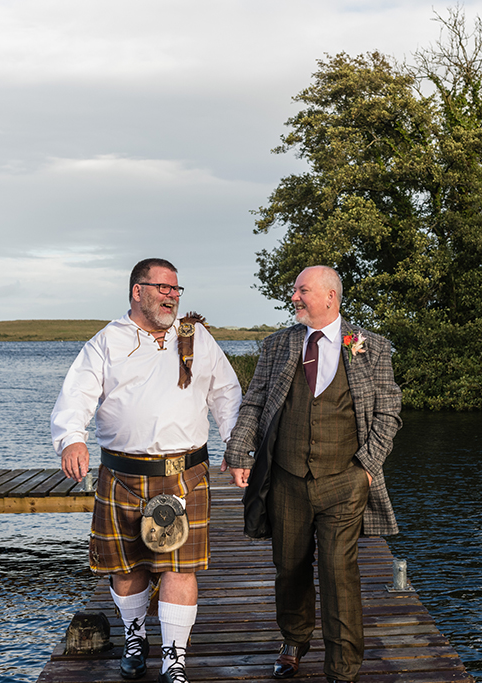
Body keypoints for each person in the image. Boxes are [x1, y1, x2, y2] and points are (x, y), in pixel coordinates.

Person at [51, 258, 241, 683]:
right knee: (128, 567)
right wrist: (72, 438)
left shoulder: (196, 336)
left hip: (184, 473)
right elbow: (75, 395)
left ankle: (175, 660)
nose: (172, 296)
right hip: (122, 474)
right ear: (137, 291)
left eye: (176, 289)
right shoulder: (107, 341)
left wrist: (235, 442)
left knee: (179, 568)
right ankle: (136, 636)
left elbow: (226, 391)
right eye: (163, 288)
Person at [222, 265, 402, 683]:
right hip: (286, 479)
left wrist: (367, 468)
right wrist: (238, 452)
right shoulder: (278, 345)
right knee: (290, 567)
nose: (295, 298)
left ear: (330, 297)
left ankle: (342, 667)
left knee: (340, 572)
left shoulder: (370, 346)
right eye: (295, 291)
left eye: (302, 291)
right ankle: (294, 640)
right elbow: (254, 403)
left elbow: (388, 412)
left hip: (346, 480)